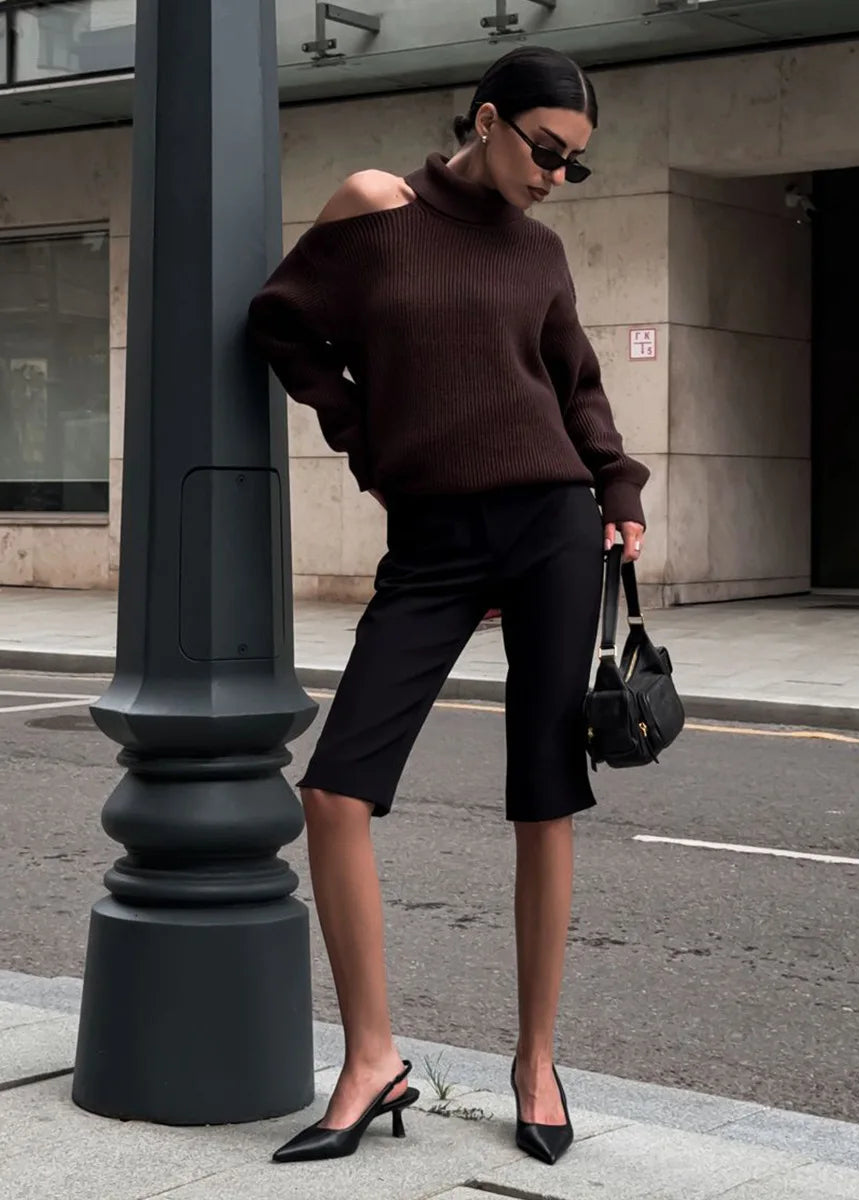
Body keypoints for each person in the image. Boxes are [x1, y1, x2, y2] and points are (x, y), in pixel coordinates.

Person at [246, 45, 649, 1167]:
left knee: (543, 794)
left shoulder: (542, 252)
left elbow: (576, 388)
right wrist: (375, 444)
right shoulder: (379, 208)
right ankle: (372, 1061)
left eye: (577, 167)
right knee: (334, 791)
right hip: (433, 540)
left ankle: (535, 1059)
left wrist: (617, 493)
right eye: (547, 153)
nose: (556, 179)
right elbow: (282, 326)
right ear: (487, 118)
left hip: (553, 529)